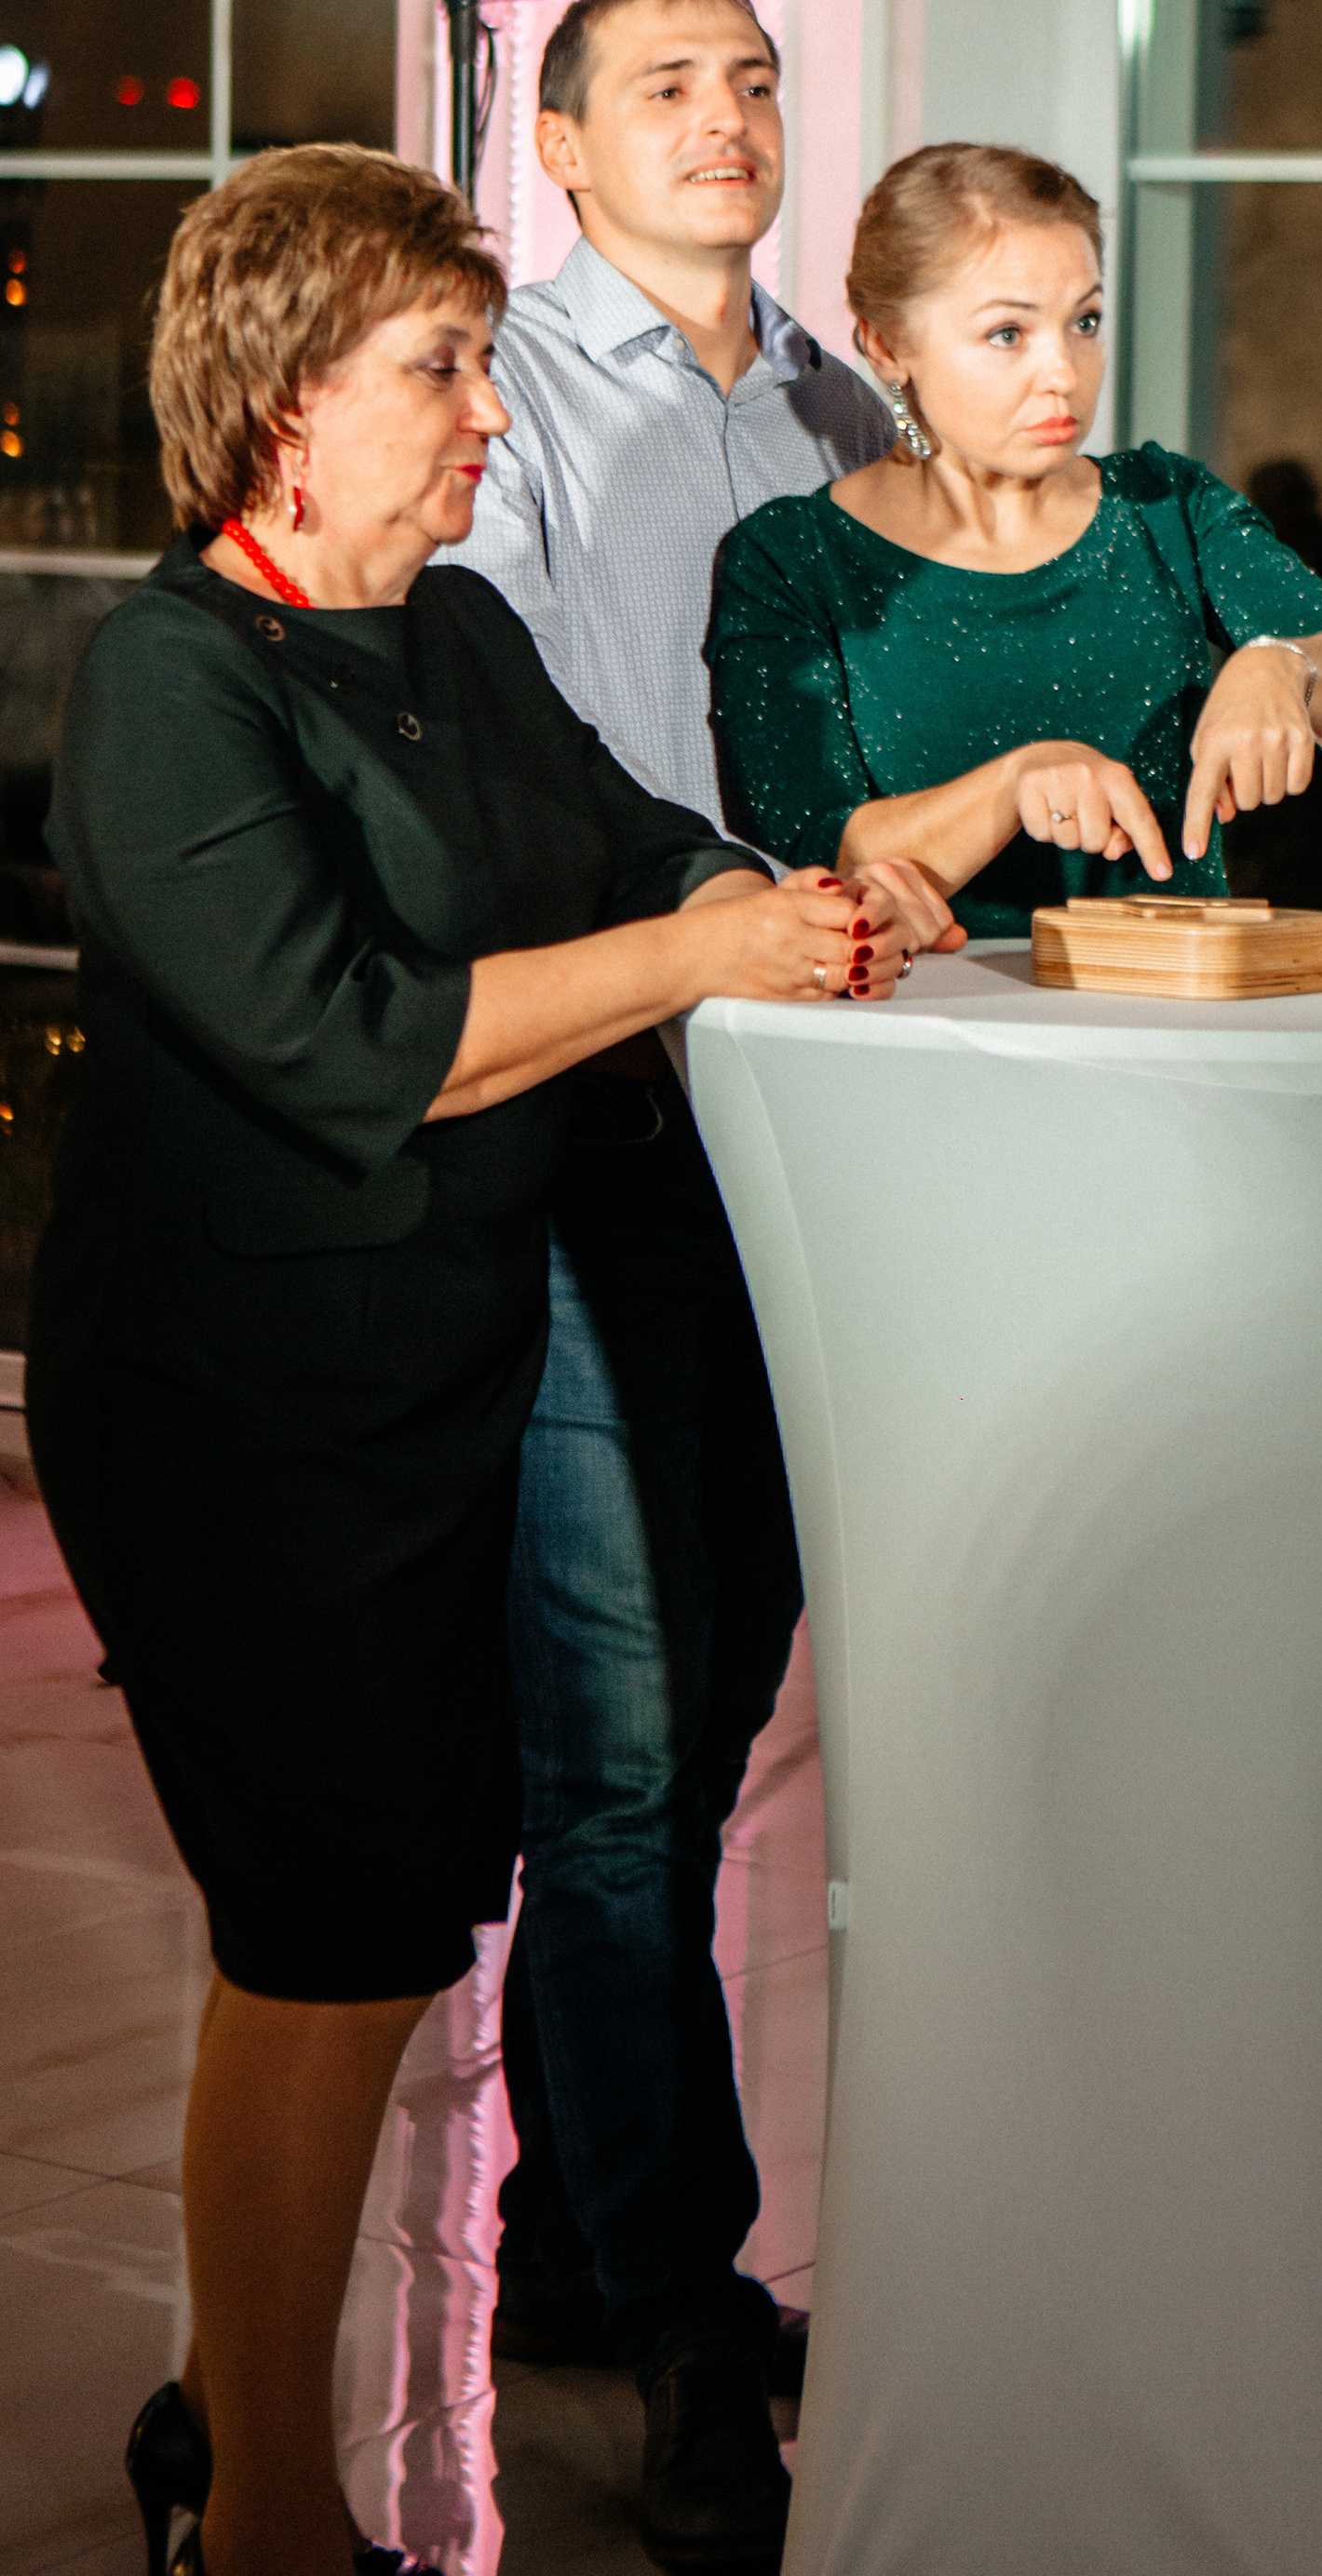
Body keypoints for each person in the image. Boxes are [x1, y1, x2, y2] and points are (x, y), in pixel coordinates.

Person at [23, 148, 909, 2576]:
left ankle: (229, 2417)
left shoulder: (452, 639)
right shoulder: (169, 681)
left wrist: (758, 896)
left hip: (433, 1379)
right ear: (282, 405)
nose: (484, 419)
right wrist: (693, 970)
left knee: (388, 1922)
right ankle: (278, 2522)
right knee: (329, 1934)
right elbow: (355, 1045)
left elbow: (621, 841)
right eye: (439, 370)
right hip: (232, 1414)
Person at [440, 0, 950, 2561]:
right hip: (609, 1110)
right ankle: (683, 2312)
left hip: (819, 1135)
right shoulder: (503, 392)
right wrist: (726, 914)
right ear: (560, 142)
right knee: (626, 1767)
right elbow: (511, 758)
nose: (732, 117)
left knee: (725, 1705)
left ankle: (560, 2232)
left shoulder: (853, 415)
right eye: (668, 84)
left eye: (755, 79)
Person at [708, 142, 1322, 927]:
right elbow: (819, 844)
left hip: (1166, 1014)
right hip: (925, 1019)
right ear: (885, 345)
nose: (1064, 373)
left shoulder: (1165, 506)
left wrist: (1288, 668)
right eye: (1007, 334)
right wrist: (1017, 784)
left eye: (1084, 321)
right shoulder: (792, 557)